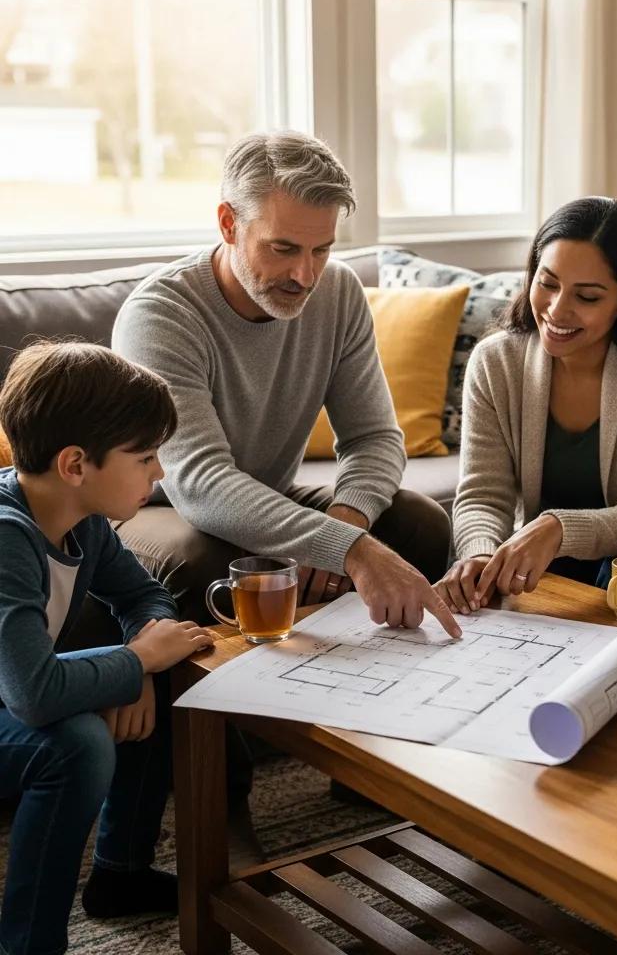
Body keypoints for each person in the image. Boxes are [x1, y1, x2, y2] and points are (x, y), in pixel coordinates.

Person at [111, 130, 459, 640]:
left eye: (321, 249)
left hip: (264, 495)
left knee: (419, 523)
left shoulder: (338, 293)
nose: (305, 274)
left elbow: (374, 439)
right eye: (283, 248)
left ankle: (375, 689)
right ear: (229, 223)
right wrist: (346, 547)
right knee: (210, 560)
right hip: (151, 509)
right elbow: (201, 485)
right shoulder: (160, 317)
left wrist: (348, 520)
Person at [0, 342, 215, 955]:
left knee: (160, 677)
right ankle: (28, 945)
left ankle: (121, 873)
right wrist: (140, 660)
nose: (160, 473)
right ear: (75, 464)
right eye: (145, 456)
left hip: (12, 690)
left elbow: (147, 598)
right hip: (15, 692)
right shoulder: (6, 534)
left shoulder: (84, 520)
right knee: (75, 745)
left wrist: (142, 667)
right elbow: (34, 695)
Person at [438, 196, 617, 613]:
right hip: (554, 556)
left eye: (588, 297)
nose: (558, 310)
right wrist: (482, 556)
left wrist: (556, 527)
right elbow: (483, 497)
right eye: (548, 283)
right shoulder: (495, 362)